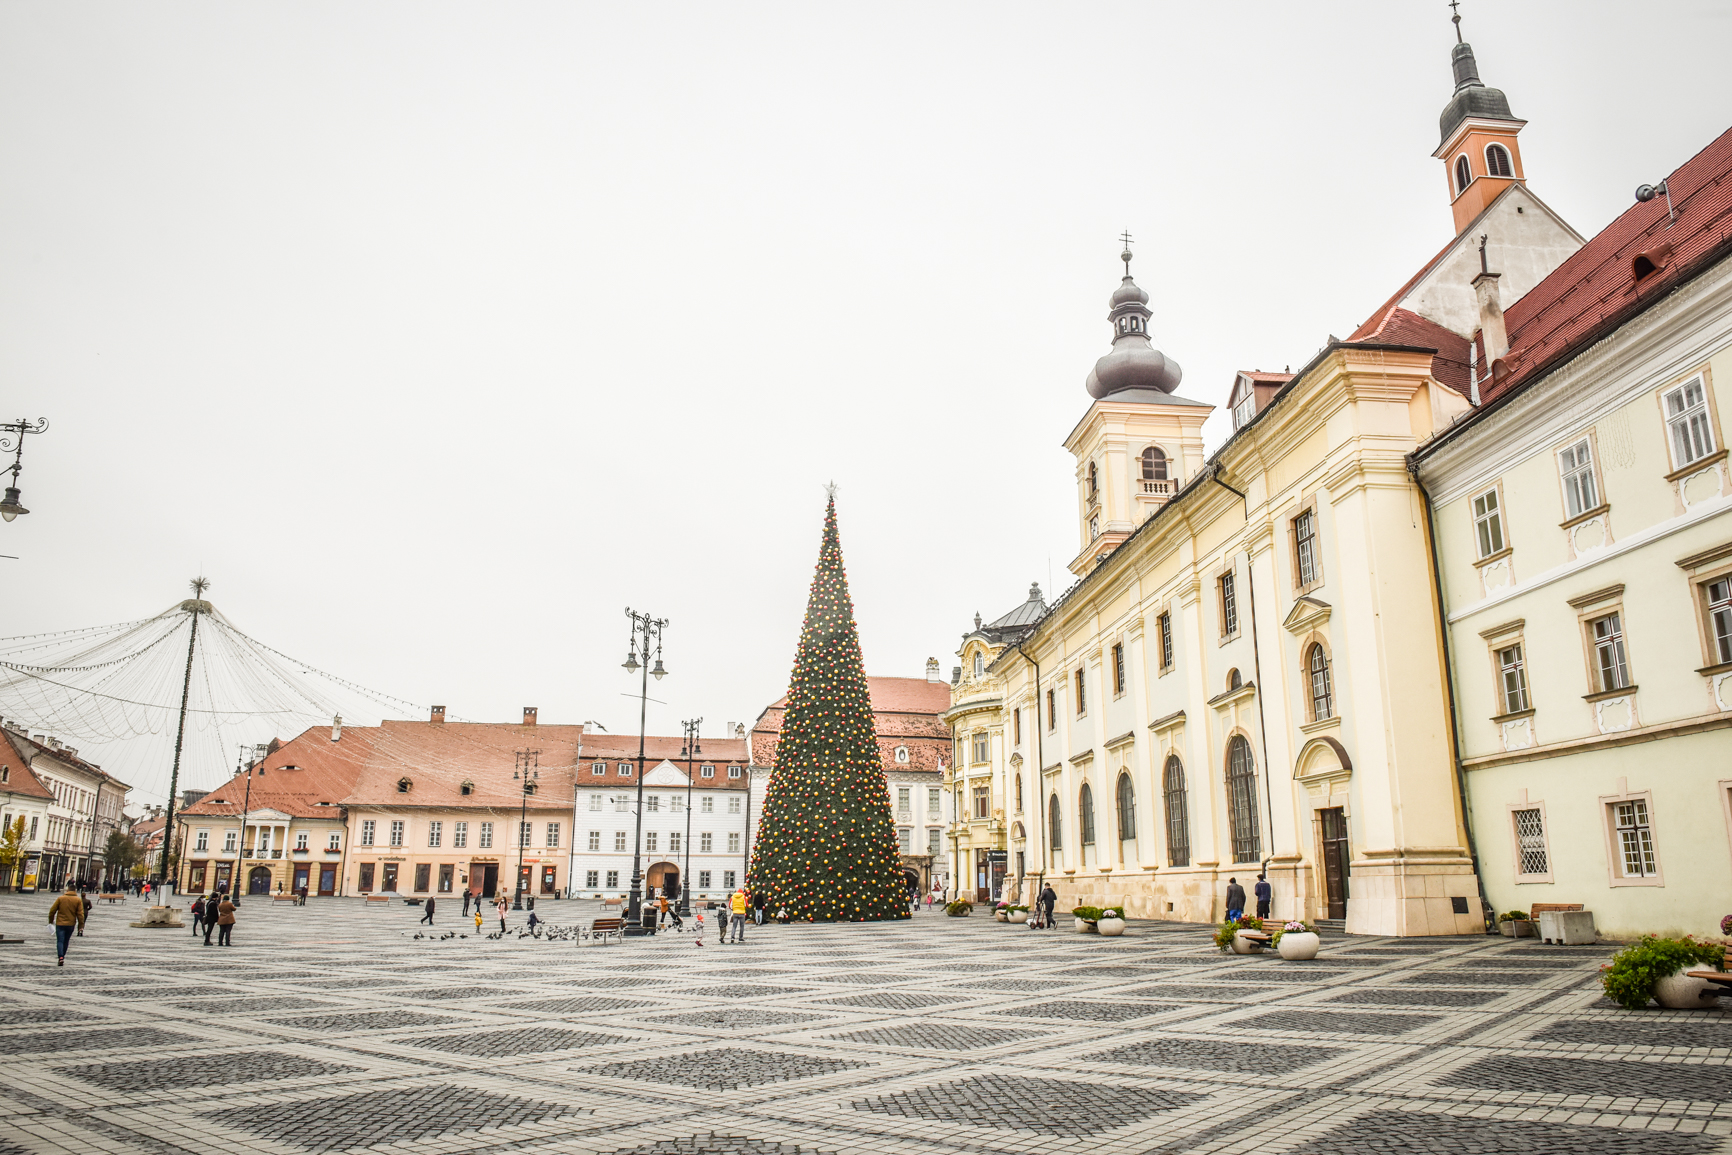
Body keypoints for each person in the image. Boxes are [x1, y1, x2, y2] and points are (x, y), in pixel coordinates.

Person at [47, 885, 85, 966]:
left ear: (68, 890)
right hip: (71, 924)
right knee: (66, 941)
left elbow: (52, 911)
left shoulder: (61, 898)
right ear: (75, 890)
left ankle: (60, 957)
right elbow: (80, 914)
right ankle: (63, 956)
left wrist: (51, 921)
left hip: (60, 923)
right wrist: (81, 926)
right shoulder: (78, 900)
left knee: (60, 941)